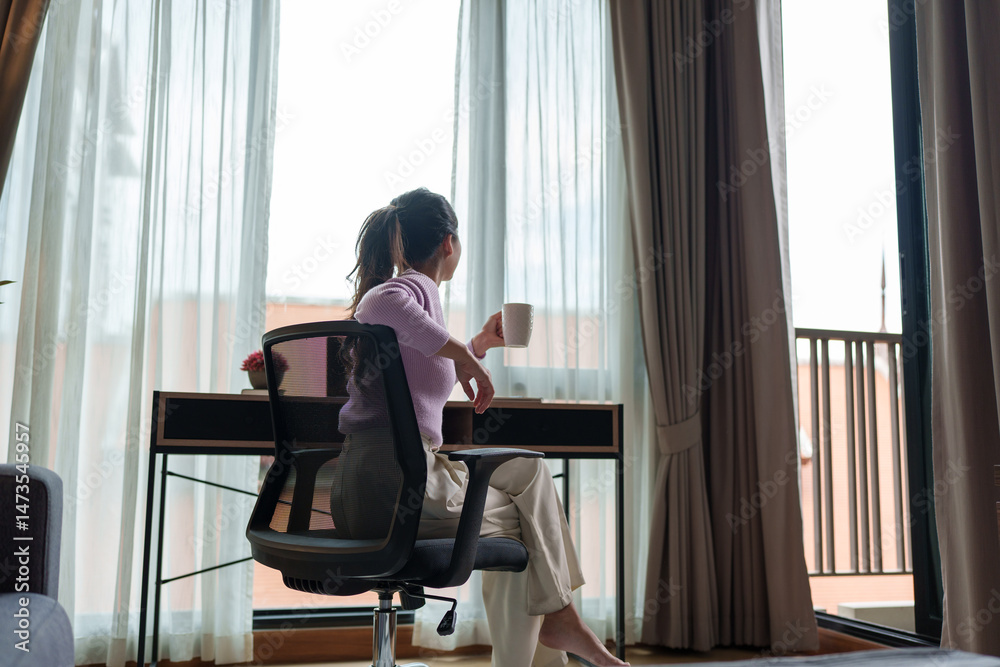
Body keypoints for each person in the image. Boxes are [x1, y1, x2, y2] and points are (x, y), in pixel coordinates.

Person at [337, 187, 629, 667]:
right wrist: (460, 354)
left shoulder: (423, 304)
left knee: (529, 474)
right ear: (449, 243)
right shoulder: (402, 290)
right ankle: (561, 621)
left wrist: (473, 348)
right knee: (525, 530)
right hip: (395, 488)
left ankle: (559, 622)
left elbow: (417, 365)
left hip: (393, 480)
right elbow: (377, 307)